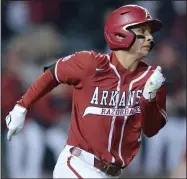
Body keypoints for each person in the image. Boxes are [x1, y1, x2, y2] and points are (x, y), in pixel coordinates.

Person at [5, 5, 167, 178]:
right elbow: (53, 74)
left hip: (112, 173)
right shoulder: (91, 63)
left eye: (150, 32)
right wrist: (21, 107)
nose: (150, 38)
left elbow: (151, 129)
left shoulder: (152, 79)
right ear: (120, 34)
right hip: (78, 165)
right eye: (143, 31)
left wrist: (148, 98)